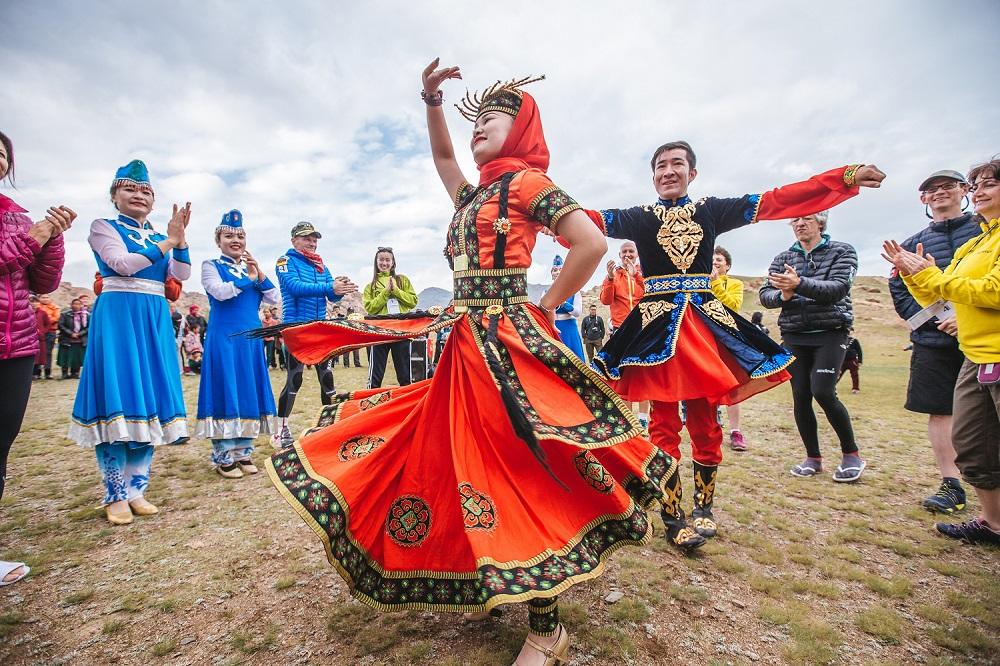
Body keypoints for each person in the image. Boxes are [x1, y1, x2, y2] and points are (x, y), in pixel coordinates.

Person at [265, 61, 700, 666]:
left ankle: (546, 628)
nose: (479, 130)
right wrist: (431, 100)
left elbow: (591, 243)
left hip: (510, 339)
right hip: (465, 341)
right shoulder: (474, 195)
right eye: (475, 123)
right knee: (461, 458)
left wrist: (544, 306)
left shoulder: (527, 185)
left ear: (520, 130)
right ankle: (494, 572)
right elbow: (445, 162)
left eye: (492, 120)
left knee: (523, 461)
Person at [588, 140, 884, 540]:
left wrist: (841, 178)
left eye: (678, 164)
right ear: (653, 175)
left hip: (703, 328)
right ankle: (673, 517)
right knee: (661, 424)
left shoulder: (711, 210)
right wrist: (530, 203)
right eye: (660, 166)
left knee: (706, 423)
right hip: (655, 328)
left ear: (692, 174)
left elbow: (776, 201)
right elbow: (580, 217)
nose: (668, 171)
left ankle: (704, 507)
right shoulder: (638, 218)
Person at [883, 159, 1000, 545]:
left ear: (960, 193)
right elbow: (919, 290)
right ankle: (978, 508)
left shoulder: (982, 234)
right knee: (964, 432)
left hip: (988, 344)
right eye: (977, 183)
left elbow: (986, 288)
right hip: (950, 343)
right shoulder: (971, 242)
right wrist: (915, 278)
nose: (979, 190)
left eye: (987, 185)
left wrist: (935, 282)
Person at [69, 159, 192, 525]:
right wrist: (168, 240)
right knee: (119, 397)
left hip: (153, 315)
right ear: (115, 195)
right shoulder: (102, 227)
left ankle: (137, 488)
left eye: (146, 191)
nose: (139, 195)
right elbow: (121, 264)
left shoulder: (158, 236)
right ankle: (114, 494)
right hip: (120, 313)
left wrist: (180, 241)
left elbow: (181, 274)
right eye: (131, 189)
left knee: (149, 399)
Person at [0, 130, 73, 585]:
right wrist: (37, 235)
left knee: (1, 446)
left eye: (2, 154)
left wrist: (54, 239)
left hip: (17, 344)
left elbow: (42, 283)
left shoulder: (16, 218)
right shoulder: (25, 226)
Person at [888, 169, 979, 515]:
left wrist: (967, 318)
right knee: (940, 409)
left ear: (963, 191)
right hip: (933, 339)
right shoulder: (910, 245)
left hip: (985, 335)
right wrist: (937, 318)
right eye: (931, 189)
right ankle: (951, 484)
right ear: (923, 199)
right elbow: (899, 288)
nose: (939, 192)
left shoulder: (985, 233)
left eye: (947, 186)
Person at [760, 210, 867, 482]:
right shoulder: (783, 258)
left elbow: (837, 288)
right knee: (800, 395)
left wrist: (799, 284)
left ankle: (851, 454)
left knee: (823, 392)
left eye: (806, 218)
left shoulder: (842, 252)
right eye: (795, 220)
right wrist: (783, 295)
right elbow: (765, 295)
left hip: (830, 332)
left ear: (820, 222)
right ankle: (813, 457)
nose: (799, 223)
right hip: (795, 334)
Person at [196, 210, 278, 478]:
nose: (236, 240)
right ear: (218, 240)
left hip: (250, 341)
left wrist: (259, 274)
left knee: (247, 390)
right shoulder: (211, 266)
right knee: (225, 388)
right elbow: (220, 292)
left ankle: (244, 451)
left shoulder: (251, 270)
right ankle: (223, 454)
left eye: (240, 236)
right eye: (229, 235)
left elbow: (274, 298)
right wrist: (248, 280)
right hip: (225, 339)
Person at [274, 221, 358, 448]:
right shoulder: (285, 261)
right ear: (294, 241)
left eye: (314, 239)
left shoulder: (321, 266)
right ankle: (280, 431)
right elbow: (294, 287)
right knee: (295, 378)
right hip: (296, 328)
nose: (312, 242)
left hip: (319, 328)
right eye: (306, 238)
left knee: (327, 377)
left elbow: (332, 298)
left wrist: (340, 289)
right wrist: (330, 286)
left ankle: (327, 425)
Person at [599, 241, 649, 428]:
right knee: (624, 375)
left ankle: (643, 418)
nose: (627, 254)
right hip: (620, 330)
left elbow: (650, 295)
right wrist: (610, 279)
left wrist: (637, 276)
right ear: (619, 255)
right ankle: (628, 418)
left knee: (643, 374)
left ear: (637, 254)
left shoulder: (643, 274)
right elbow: (605, 300)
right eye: (624, 252)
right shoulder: (614, 275)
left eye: (631, 251)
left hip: (642, 329)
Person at [710, 246, 748, 451]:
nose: (715, 263)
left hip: (727, 338)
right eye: (712, 260)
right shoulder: (700, 283)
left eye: (719, 260)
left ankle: (736, 432)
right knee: (707, 383)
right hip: (706, 338)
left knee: (732, 386)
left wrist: (716, 282)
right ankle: (711, 426)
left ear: (728, 265)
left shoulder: (735, 283)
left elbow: (733, 305)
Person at [363, 246, 417, 387]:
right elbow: (370, 308)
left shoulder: (402, 280)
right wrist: (386, 292)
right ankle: (371, 406)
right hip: (379, 332)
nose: (384, 263)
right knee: (375, 377)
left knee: (405, 376)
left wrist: (397, 291)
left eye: (388, 260)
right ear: (376, 262)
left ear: (393, 262)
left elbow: (413, 301)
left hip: (401, 331)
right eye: (381, 260)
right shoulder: (370, 286)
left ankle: (407, 405)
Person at [548, 254, 585, 359]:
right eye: (555, 270)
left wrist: (565, 304)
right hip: (553, 327)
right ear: (551, 273)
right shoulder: (546, 292)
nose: (557, 272)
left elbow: (577, 313)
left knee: (574, 357)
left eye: (561, 269)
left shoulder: (574, 291)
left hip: (569, 328)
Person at [57, 297, 89, 378]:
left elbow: (89, 327)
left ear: (81, 305)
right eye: (74, 304)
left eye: (78, 304)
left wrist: (79, 334)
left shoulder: (86, 315)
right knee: (65, 357)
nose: (76, 305)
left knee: (77, 358)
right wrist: (71, 333)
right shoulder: (65, 314)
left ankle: (75, 373)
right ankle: (64, 373)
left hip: (80, 340)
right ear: (71, 305)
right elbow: (61, 325)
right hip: (66, 339)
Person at [37, 293, 60, 379]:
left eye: (47, 297)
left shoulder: (55, 307)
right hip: (38, 332)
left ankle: (47, 372)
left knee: (48, 352)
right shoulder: (36, 307)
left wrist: (44, 321)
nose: (45, 299)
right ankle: (37, 373)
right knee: (38, 352)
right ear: (39, 298)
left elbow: (56, 318)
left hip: (51, 332)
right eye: (43, 297)